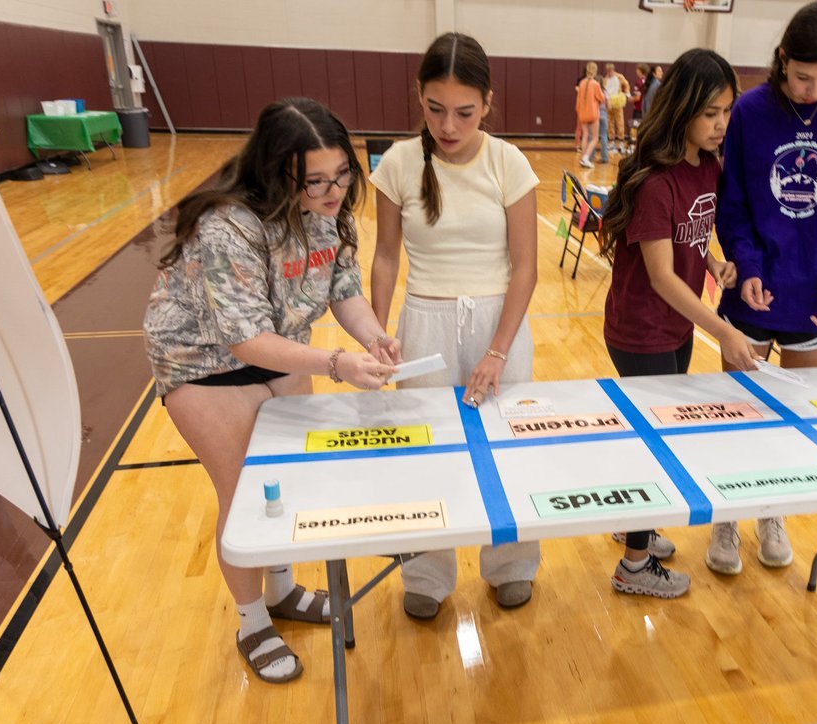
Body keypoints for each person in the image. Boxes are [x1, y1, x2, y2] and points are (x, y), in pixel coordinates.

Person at [143, 98, 397, 684]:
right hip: (202, 361)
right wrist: (337, 362)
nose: (334, 191)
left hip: (279, 343)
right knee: (244, 493)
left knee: (288, 481)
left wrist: (375, 337)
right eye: (316, 181)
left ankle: (282, 592)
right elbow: (244, 340)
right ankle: (252, 621)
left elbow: (344, 289)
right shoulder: (227, 227)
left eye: (342, 176)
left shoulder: (332, 214)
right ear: (279, 172)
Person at [369, 32, 541, 621]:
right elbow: (386, 256)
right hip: (425, 322)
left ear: (487, 104)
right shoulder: (397, 162)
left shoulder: (508, 163)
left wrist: (498, 350)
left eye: (464, 112)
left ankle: (512, 563)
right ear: (419, 97)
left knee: (509, 447)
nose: (449, 125)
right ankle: (426, 572)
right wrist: (375, 330)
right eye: (435, 109)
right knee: (425, 452)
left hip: (500, 322)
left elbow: (526, 267)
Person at [711, 0, 817, 575]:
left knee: (793, 419)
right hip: (753, 292)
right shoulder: (752, 111)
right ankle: (727, 517)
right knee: (738, 415)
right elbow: (732, 205)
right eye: (803, 77)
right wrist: (749, 265)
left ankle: (772, 510)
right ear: (783, 59)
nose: (814, 90)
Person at [598, 48, 756, 599]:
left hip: (677, 327)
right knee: (656, 444)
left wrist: (712, 260)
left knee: (652, 434)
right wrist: (727, 332)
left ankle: (630, 520)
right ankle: (634, 566)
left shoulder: (707, 165)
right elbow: (662, 278)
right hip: (640, 330)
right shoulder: (655, 182)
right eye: (711, 112)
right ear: (684, 107)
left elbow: (694, 232)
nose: (721, 125)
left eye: (727, 112)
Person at [576, 61, 605, 168]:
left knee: (585, 136)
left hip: (582, 113)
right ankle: (586, 158)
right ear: (595, 71)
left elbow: (578, 100)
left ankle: (583, 158)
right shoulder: (595, 84)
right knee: (595, 138)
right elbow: (602, 98)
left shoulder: (581, 83)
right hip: (592, 113)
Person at [604, 62, 631, 154]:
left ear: (613, 70)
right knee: (609, 122)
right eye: (608, 71)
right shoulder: (605, 79)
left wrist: (627, 93)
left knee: (619, 122)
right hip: (609, 102)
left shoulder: (619, 77)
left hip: (618, 102)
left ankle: (620, 141)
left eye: (611, 71)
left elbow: (626, 85)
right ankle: (611, 141)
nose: (609, 73)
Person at [629, 63, 649, 153]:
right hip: (646, 110)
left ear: (641, 71)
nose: (636, 71)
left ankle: (635, 149)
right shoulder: (649, 81)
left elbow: (637, 98)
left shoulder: (639, 82)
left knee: (635, 129)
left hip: (638, 109)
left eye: (637, 69)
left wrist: (629, 99)